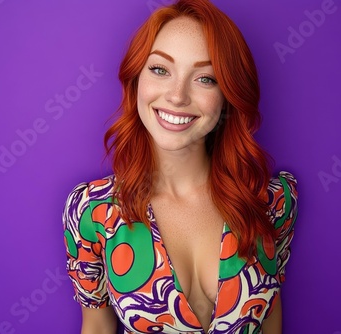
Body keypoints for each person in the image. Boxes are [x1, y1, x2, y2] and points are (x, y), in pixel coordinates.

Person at [62, 0, 299, 333]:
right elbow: (98, 327)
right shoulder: (92, 212)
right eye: (160, 69)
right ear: (136, 79)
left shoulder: (272, 202)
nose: (176, 96)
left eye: (205, 78)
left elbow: (271, 313)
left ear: (228, 95)